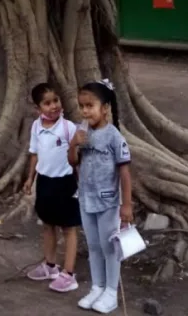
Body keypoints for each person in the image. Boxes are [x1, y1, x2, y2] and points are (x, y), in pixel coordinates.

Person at [68, 80, 133, 314]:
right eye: (81, 106)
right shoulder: (82, 131)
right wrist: (74, 144)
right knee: (94, 246)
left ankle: (111, 292)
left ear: (104, 107)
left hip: (108, 201)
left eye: (90, 106)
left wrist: (126, 205)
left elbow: (125, 173)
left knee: (109, 247)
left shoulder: (114, 137)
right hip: (86, 198)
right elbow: (73, 162)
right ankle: (97, 287)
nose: (85, 111)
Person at [23, 82, 81, 293]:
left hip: (65, 183)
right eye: (47, 103)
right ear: (38, 108)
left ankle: (69, 273)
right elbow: (34, 154)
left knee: (69, 228)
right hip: (45, 183)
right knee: (48, 224)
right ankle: (50, 266)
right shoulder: (36, 127)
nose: (53, 106)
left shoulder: (69, 128)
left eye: (55, 101)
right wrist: (30, 178)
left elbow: (77, 159)